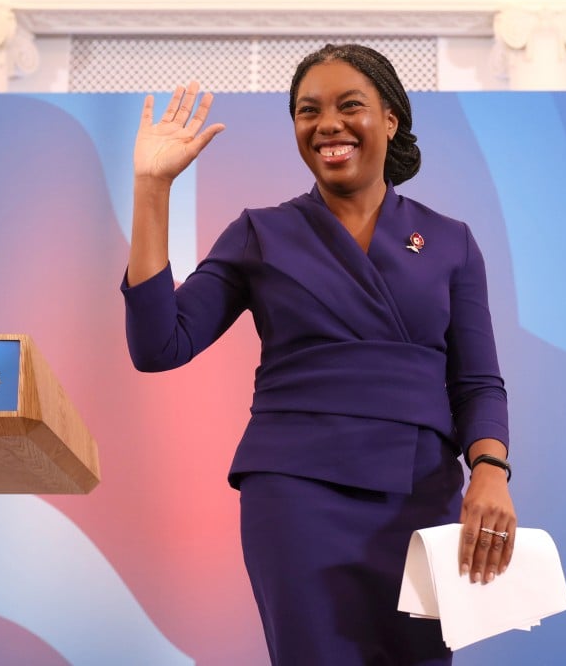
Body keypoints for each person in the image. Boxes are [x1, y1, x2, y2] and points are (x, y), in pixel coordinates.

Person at [121, 43, 516, 665]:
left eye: (348, 105)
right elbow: (157, 345)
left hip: (419, 495)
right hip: (296, 496)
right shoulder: (262, 232)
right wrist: (152, 189)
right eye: (308, 111)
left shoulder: (450, 241)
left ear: (389, 119)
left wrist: (490, 471)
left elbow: (477, 383)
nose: (326, 123)